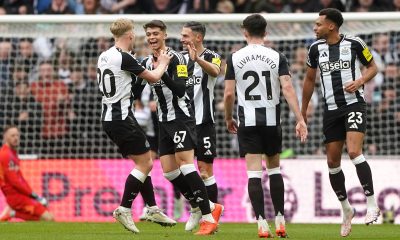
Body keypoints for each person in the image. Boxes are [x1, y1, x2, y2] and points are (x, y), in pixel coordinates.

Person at [224, 14, 307, 238]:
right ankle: (280, 220)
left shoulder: (234, 57)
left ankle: (261, 223)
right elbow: (288, 88)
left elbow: (229, 93)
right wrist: (300, 118)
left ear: (245, 32)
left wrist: (228, 117)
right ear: (266, 32)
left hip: (247, 122)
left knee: (253, 174)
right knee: (274, 170)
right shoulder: (276, 56)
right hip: (272, 121)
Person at [137, 19, 223, 235]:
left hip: (182, 118)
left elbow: (181, 89)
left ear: (165, 35)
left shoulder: (178, 59)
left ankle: (207, 215)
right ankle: (198, 204)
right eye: (149, 34)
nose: (152, 37)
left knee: (188, 165)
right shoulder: (147, 62)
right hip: (164, 121)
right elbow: (139, 87)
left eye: (156, 33)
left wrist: (163, 70)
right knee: (169, 172)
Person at [301, 8, 380, 237]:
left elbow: (373, 67)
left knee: (355, 151)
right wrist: (303, 113)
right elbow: (308, 79)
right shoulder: (315, 48)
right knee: (332, 162)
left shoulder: (355, 43)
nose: (315, 28)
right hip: (330, 110)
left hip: (354, 104)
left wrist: (360, 81)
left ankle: (372, 203)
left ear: (331, 26)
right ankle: (347, 210)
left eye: (318, 24)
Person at [97, 18, 176, 234]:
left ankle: (151, 207)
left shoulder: (105, 56)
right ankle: (124, 208)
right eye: (134, 33)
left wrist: (140, 68)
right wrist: (163, 62)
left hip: (110, 117)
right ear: (130, 34)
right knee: (146, 164)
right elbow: (153, 77)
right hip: (121, 118)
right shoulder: (123, 57)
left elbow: (130, 87)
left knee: (144, 162)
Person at [180, 21, 221, 213]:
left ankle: (210, 218)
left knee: (204, 172)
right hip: (182, 122)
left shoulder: (213, 57)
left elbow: (215, 71)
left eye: (186, 36)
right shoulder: (179, 60)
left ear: (198, 37)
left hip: (204, 122)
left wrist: (197, 60)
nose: (182, 39)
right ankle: (197, 208)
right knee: (179, 169)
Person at [0, 126, 53, 222]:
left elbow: (20, 178)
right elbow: (15, 181)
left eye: (17, 135)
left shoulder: (12, 153)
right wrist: (32, 195)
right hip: (16, 197)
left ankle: (13, 212)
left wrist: (33, 194)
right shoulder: (6, 155)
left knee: (44, 218)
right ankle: (12, 212)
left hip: (20, 195)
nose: (16, 138)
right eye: (12, 136)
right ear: (6, 137)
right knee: (48, 218)